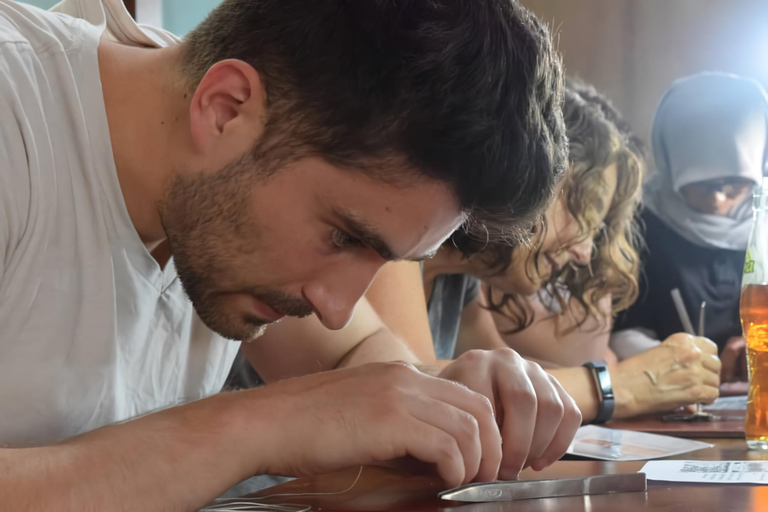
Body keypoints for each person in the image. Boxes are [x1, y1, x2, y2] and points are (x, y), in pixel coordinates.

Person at [0, 0, 581, 508]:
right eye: (344, 237)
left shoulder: (229, 153)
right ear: (225, 108)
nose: (334, 306)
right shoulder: (16, 117)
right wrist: (258, 425)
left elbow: (354, 352)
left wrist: (444, 393)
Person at [365, 82, 721, 424]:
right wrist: (623, 386)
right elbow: (415, 395)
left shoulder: (458, 278)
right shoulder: (394, 246)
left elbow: (509, 379)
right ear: (534, 174)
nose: (584, 253)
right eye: (585, 212)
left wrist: (650, 381)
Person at [613, 72, 768, 384]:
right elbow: (622, 330)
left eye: (735, 182)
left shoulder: (762, 220)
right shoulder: (641, 224)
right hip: (665, 389)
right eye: (702, 185)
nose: (718, 198)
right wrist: (683, 360)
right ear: (673, 169)